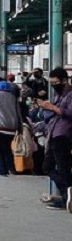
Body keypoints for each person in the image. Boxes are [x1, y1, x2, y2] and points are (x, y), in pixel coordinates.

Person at [38, 67, 72, 211]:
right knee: (47, 166)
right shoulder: (60, 95)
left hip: (63, 135)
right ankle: (67, 193)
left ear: (64, 80)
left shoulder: (70, 95)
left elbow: (69, 113)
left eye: (56, 82)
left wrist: (52, 107)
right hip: (54, 133)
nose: (53, 85)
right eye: (51, 83)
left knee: (62, 168)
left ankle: (67, 195)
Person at [0, 81, 21, 176]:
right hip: (12, 128)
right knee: (7, 149)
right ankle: (11, 169)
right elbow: (18, 113)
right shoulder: (14, 97)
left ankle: (2, 171)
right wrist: (19, 128)